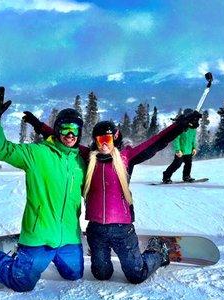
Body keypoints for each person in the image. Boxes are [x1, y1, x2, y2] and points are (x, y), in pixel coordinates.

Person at [25, 109, 201, 284]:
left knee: (136, 275)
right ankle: (99, 255)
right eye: (100, 139)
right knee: (101, 274)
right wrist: (37, 125)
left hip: (122, 229)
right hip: (96, 230)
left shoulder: (126, 158)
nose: (103, 144)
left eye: (107, 139)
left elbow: (155, 143)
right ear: (95, 140)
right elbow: (61, 136)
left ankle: (157, 252)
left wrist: (181, 126)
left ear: (115, 138)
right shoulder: (88, 157)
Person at [0, 87, 86, 292]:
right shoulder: (37, 154)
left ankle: (42, 256)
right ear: (57, 130)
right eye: (65, 129)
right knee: (22, 283)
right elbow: (2, 149)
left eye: (75, 129)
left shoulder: (81, 162)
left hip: (69, 238)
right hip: (40, 234)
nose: (70, 134)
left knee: (75, 274)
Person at [162, 108, 199, 184]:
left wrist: (194, 148)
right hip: (181, 151)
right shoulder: (181, 126)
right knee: (177, 164)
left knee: (188, 164)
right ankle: (166, 176)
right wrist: (177, 150)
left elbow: (193, 139)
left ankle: (186, 176)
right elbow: (176, 139)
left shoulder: (193, 128)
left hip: (189, 150)